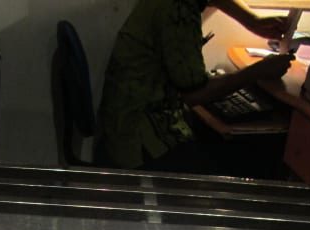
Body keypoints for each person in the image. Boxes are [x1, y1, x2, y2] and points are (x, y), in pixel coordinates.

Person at [95, 0, 294, 176]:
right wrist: (256, 72)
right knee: (255, 158)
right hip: (141, 140)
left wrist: (252, 20)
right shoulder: (178, 9)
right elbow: (195, 93)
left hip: (123, 125)